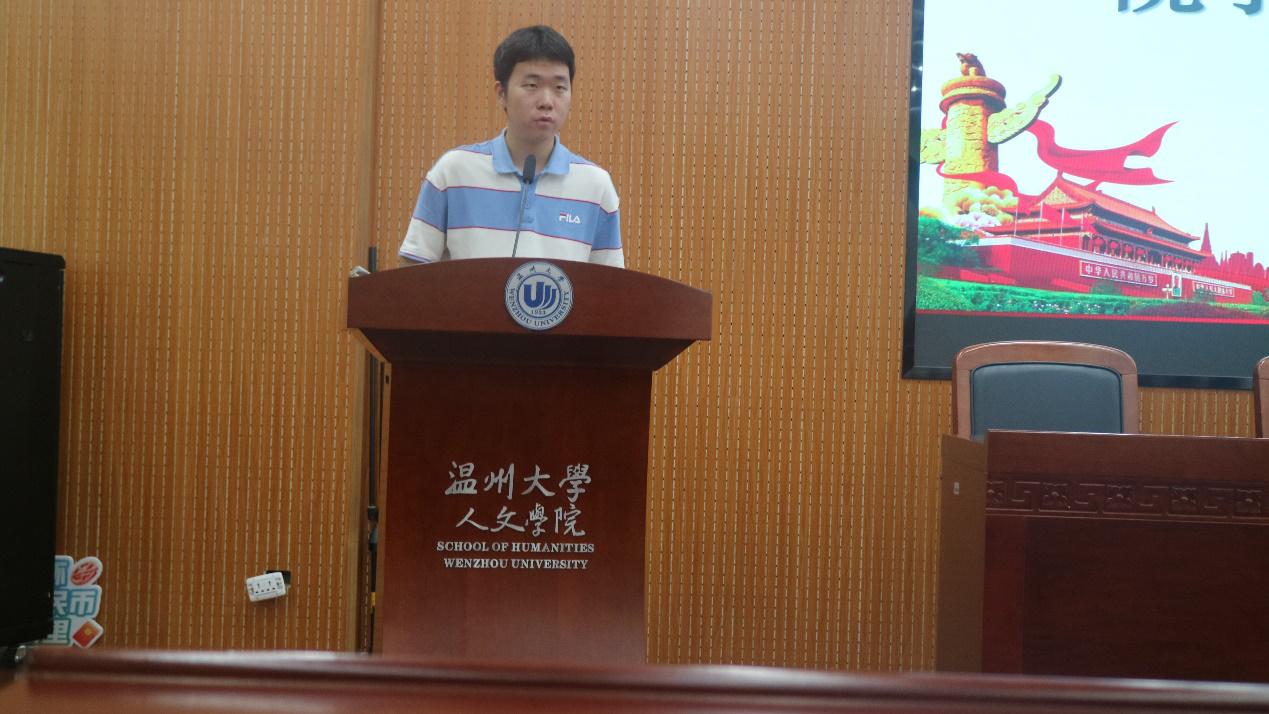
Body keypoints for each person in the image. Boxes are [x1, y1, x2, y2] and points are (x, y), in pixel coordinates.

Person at [399, 25, 623, 268]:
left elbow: (610, 285)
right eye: (532, 85)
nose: (546, 102)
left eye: (559, 88)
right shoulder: (454, 172)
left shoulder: (596, 185)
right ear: (501, 93)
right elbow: (412, 270)